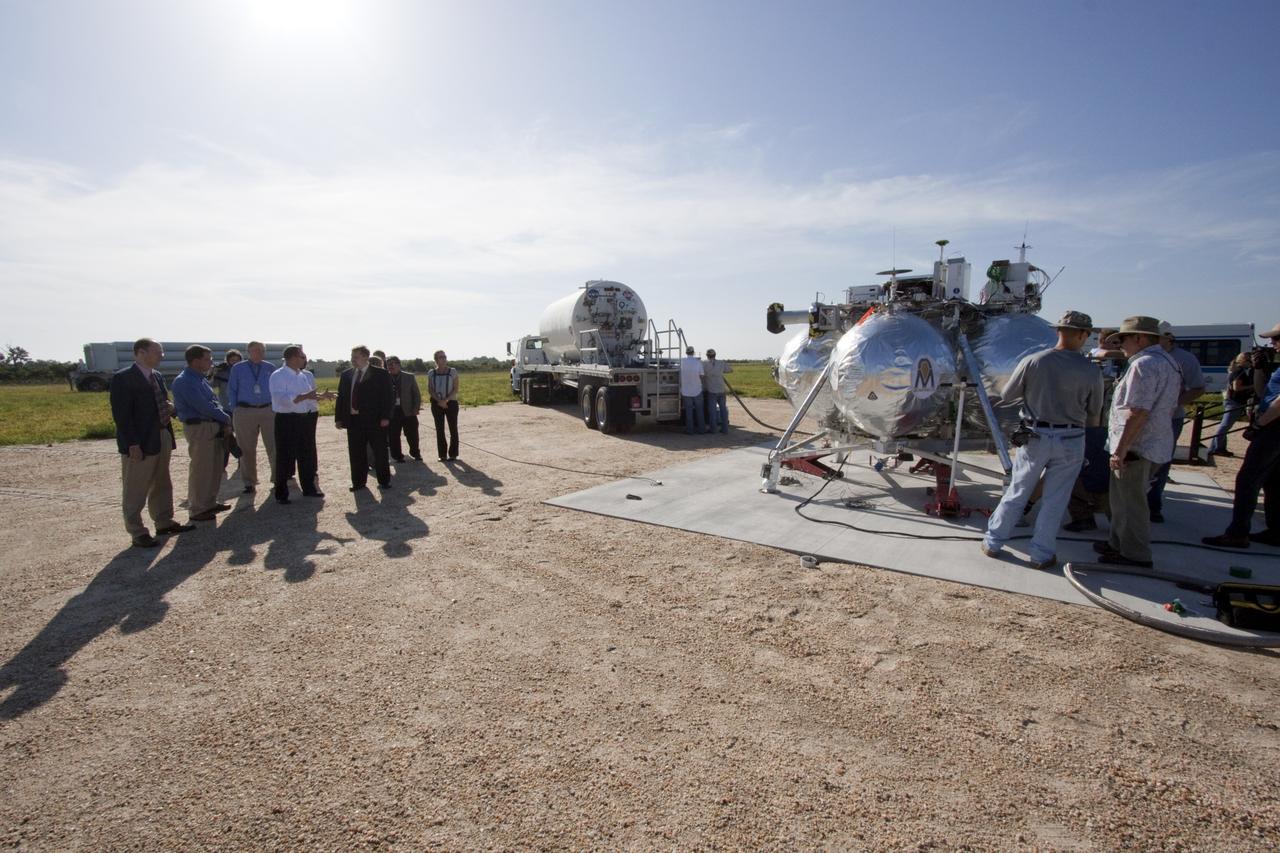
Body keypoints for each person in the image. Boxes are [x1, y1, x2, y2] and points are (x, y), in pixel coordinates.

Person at [982, 311, 1102, 570]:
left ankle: (993, 542)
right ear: (1083, 335)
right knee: (1055, 499)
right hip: (1071, 438)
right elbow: (1095, 413)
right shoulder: (1091, 370)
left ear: (1058, 331)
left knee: (1017, 492)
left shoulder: (1033, 361)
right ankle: (1041, 554)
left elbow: (1007, 394)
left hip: (1035, 435)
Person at [1095, 316, 1183, 568]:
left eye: (1122, 339)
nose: (1120, 344)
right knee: (1122, 500)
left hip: (1136, 446)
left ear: (1139, 338)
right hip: (1150, 443)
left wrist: (1121, 450)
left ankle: (1134, 553)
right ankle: (1118, 543)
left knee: (1131, 503)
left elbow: (1138, 411)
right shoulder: (1167, 361)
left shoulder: (1144, 365)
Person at [109, 338, 193, 547]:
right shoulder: (124, 378)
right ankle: (137, 531)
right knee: (135, 487)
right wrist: (132, 444)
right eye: (157, 351)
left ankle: (164, 521)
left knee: (162, 481)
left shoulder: (156, 376)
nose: (162, 355)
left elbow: (160, 402)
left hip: (161, 435)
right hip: (140, 439)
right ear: (140, 352)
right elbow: (122, 415)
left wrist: (171, 409)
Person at [1203, 323, 1280, 548]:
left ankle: (1237, 533)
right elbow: (1262, 392)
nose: (1272, 344)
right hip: (1272, 426)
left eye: (1276, 339)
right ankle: (1275, 531)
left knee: (1248, 480)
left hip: (1273, 428)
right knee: (1273, 482)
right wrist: (1258, 369)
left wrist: (1259, 425)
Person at [1145, 322, 1205, 522]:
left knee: (1161, 462)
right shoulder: (1145, 358)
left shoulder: (1185, 360)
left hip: (1170, 420)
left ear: (1168, 339)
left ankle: (1153, 506)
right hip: (1144, 418)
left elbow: (1197, 388)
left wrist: (1171, 404)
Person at [171, 345, 234, 522]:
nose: (211, 362)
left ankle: (209, 503)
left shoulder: (200, 379)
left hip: (212, 426)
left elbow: (215, 401)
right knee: (202, 468)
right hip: (200, 427)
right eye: (207, 359)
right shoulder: (185, 381)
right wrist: (226, 419)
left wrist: (222, 418)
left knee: (214, 467)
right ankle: (198, 508)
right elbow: (203, 406)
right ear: (196, 360)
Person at [269, 345, 325, 504]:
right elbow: (281, 399)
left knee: (306, 454)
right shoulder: (278, 375)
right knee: (284, 456)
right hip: (287, 420)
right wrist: (305, 396)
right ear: (293, 358)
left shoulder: (301, 375)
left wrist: (319, 397)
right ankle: (281, 494)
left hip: (304, 419)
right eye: (302, 357)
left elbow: (307, 397)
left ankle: (309, 489)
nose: (304, 360)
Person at [336, 345, 394, 491]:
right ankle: (358, 482)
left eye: (355, 357)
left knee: (379, 452)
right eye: (352, 357)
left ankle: (384, 481)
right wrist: (339, 418)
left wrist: (386, 416)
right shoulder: (346, 375)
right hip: (354, 420)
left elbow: (388, 397)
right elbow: (342, 398)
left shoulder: (380, 374)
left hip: (375, 421)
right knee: (356, 453)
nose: (352, 360)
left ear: (365, 357)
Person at [227, 341, 277, 494]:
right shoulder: (238, 368)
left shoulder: (270, 368)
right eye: (256, 350)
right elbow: (232, 389)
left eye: (262, 350)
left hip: (268, 409)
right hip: (245, 410)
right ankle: (249, 482)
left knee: (274, 446)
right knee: (246, 448)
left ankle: (277, 478)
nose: (259, 353)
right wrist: (235, 409)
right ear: (248, 351)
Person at [1210, 351, 1254, 457]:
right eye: (1249, 360)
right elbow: (1236, 388)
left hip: (1232, 400)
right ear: (1244, 360)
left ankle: (1218, 447)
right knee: (1225, 426)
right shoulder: (1239, 372)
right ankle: (1217, 448)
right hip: (1235, 401)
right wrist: (1252, 386)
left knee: (1225, 426)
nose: (1251, 363)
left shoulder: (1236, 370)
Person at [386, 356, 423, 462]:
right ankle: (398, 456)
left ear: (399, 364)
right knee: (394, 435)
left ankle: (415, 453)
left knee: (412, 434)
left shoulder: (409, 377)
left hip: (408, 410)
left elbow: (416, 394)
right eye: (389, 364)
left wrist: (416, 408)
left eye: (393, 363)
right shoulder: (385, 378)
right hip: (392, 412)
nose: (391, 366)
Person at [427, 350, 460, 461]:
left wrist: (446, 400)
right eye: (441, 357)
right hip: (437, 403)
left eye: (445, 356)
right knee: (439, 429)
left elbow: (456, 388)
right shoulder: (431, 373)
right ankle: (442, 454)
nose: (444, 358)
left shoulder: (453, 371)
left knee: (453, 428)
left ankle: (453, 453)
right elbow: (430, 389)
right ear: (436, 359)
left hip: (451, 403)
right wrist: (439, 401)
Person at [702, 348, 734, 434]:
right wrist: (720, 372)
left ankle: (713, 429)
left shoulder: (704, 363)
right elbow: (730, 370)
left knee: (712, 411)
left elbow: (700, 374)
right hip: (721, 390)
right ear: (715, 355)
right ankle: (725, 429)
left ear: (707, 355)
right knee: (723, 409)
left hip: (712, 391)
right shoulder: (721, 362)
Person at [680, 345, 706, 435]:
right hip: (697, 390)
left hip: (686, 391)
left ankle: (690, 430)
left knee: (689, 412)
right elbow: (702, 375)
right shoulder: (698, 362)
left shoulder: (682, 361)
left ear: (686, 353)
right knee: (699, 411)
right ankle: (702, 430)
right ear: (693, 352)